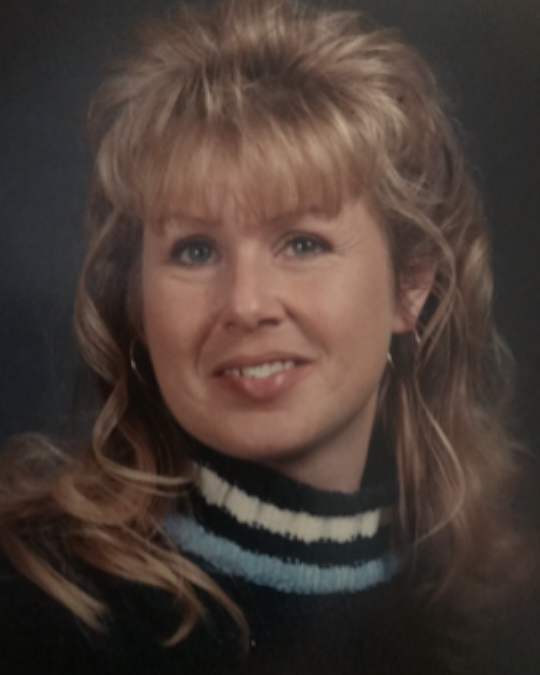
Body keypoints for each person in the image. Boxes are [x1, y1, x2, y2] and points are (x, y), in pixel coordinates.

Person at [0, 0, 538, 673]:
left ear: (410, 285)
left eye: (303, 243)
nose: (246, 304)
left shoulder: (502, 615)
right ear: (136, 305)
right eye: (195, 251)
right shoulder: (30, 601)